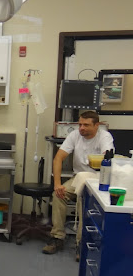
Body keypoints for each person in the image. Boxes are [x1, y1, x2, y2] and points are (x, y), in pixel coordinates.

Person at [43, 110, 114, 256]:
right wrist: (57, 184)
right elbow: (58, 158)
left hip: (97, 178)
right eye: (80, 124)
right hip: (78, 177)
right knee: (58, 195)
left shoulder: (104, 137)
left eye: (86, 125)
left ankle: (81, 243)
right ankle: (57, 237)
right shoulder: (75, 135)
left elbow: (107, 159)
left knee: (84, 201)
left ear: (96, 125)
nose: (81, 128)